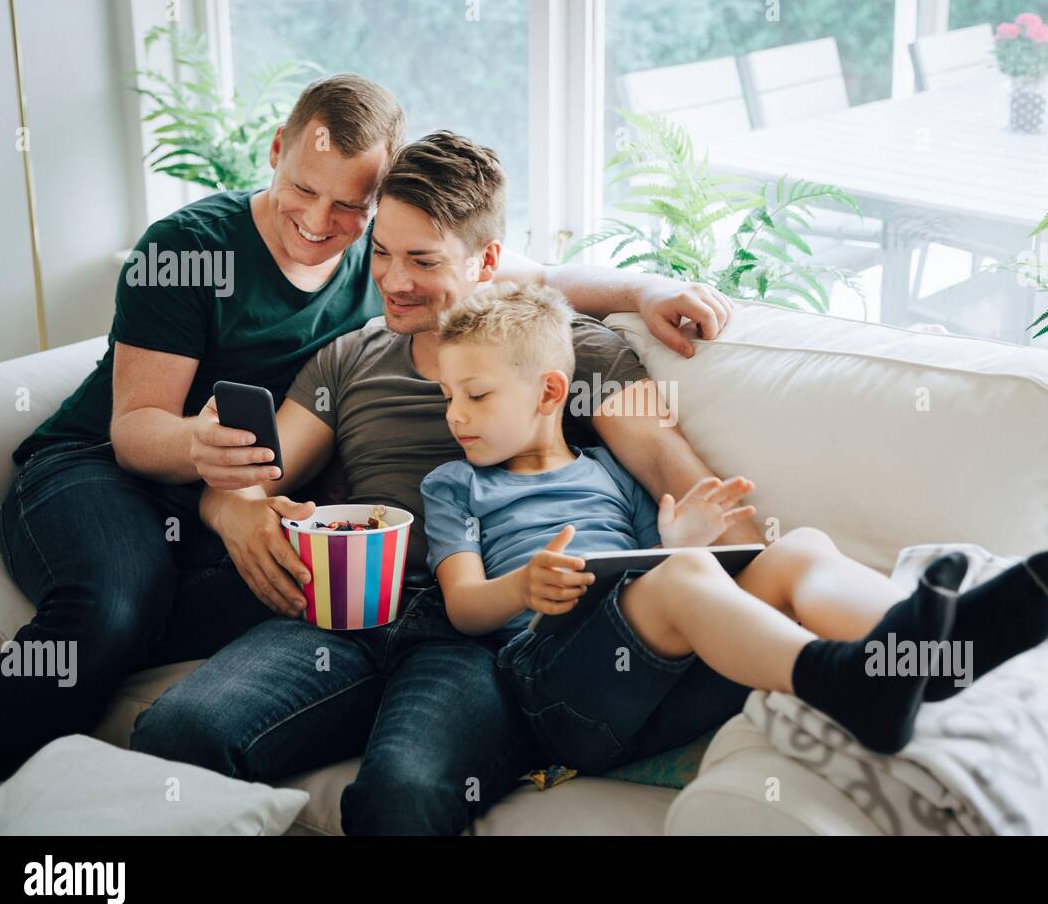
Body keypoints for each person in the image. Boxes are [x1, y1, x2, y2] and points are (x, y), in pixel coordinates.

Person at [0, 72, 734, 781]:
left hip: (233, 494)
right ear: (276, 151)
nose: (317, 221)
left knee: (295, 587)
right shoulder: (192, 249)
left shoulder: (376, 257)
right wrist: (211, 471)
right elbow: (138, 429)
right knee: (117, 605)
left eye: (350, 208)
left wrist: (642, 287)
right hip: (102, 468)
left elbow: (513, 274)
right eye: (304, 189)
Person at [128, 131, 754, 834]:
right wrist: (234, 512)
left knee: (403, 794)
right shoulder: (349, 359)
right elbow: (247, 476)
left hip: (481, 632)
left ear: (488, 262)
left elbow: (683, 481)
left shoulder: (566, 350)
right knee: (178, 733)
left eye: (423, 260)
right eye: (383, 252)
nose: (393, 281)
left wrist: (769, 581)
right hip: (348, 609)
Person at [420, 282, 1048, 769]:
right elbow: (464, 609)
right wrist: (522, 588)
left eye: (475, 395)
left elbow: (654, 581)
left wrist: (682, 544)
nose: (456, 416)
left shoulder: (612, 474)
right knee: (686, 578)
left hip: (659, 690)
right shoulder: (457, 486)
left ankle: (935, 652)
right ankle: (842, 680)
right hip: (552, 689)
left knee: (798, 549)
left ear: (549, 393)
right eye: (448, 396)